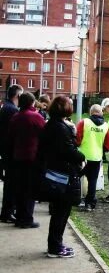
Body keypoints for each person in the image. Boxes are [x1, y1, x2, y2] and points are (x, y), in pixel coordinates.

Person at [38, 96, 86, 258]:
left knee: (60, 212)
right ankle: (55, 247)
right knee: (61, 212)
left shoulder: (53, 125)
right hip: (62, 175)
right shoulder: (60, 128)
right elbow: (67, 151)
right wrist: (81, 156)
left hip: (56, 172)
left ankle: (56, 244)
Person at [8, 92, 45, 228]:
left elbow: (10, 136)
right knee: (30, 189)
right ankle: (27, 219)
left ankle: (19, 216)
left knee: (20, 187)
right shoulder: (36, 117)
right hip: (32, 157)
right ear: (32, 103)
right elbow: (44, 134)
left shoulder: (15, 117)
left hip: (17, 156)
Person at [76, 104, 109, 211]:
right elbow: (108, 144)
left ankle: (73, 198)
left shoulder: (84, 122)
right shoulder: (105, 126)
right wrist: (101, 150)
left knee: (75, 176)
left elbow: (77, 138)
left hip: (82, 157)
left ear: (91, 112)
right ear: (101, 112)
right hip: (96, 157)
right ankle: (90, 204)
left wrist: (78, 145)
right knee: (93, 181)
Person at [0, 84, 23, 223]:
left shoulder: (6, 107)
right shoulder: (12, 110)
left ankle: (7, 212)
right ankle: (7, 213)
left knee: (10, 182)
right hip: (10, 152)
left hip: (5, 150)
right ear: (17, 96)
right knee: (12, 184)